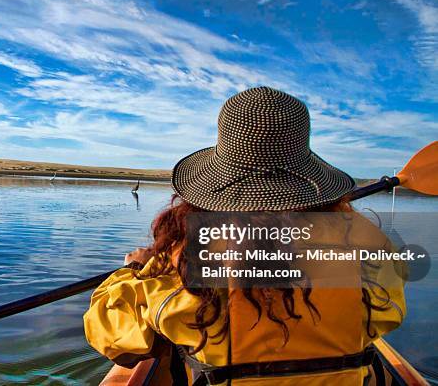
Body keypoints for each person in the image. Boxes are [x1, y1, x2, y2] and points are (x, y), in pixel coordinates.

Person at [83, 86, 406, 385]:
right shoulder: (366, 245)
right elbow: (388, 313)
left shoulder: (185, 257)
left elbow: (112, 338)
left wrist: (133, 271)